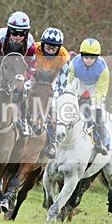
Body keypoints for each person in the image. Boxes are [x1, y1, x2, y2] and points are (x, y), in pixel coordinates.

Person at [54, 38, 110, 155]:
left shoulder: (103, 69)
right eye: (86, 56)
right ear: (81, 54)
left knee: (97, 110)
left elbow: (101, 91)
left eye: (92, 57)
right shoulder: (74, 64)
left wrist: (92, 102)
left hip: (95, 87)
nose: (88, 60)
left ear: (97, 57)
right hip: (79, 84)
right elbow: (68, 84)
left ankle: (102, 141)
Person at [35, 27, 70, 158]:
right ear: (42, 44)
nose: (50, 51)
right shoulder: (34, 49)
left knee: (53, 106)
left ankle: (52, 142)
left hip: (52, 81)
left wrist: (52, 95)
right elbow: (27, 70)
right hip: (35, 79)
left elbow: (63, 84)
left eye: (54, 49)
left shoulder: (64, 57)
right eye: (48, 47)